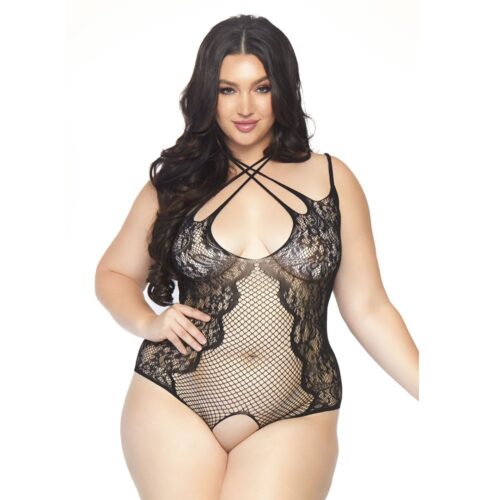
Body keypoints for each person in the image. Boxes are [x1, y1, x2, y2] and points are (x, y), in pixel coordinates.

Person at [95, 14, 419, 500]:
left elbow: (369, 308)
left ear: (283, 90)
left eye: (261, 88)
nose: (244, 107)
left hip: (296, 409)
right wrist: (148, 321)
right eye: (227, 90)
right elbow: (113, 272)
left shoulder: (333, 180)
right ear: (207, 95)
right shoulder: (175, 184)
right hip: (175, 399)